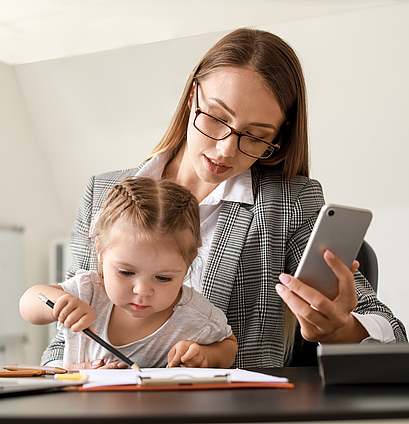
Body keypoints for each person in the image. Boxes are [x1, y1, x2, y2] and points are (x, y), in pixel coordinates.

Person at [40, 28, 407, 370]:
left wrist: (339, 329)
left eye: (256, 135)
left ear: (279, 135)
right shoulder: (103, 192)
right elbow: (66, 332)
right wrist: (64, 377)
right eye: (216, 117)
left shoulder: (288, 204)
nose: (226, 148)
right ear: (191, 96)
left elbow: (391, 333)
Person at [20, 177, 238, 368]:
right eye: (126, 272)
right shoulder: (88, 292)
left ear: (189, 264)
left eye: (163, 278)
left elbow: (229, 346)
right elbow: (28, 303)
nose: (142, 291)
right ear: (100, 251)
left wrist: (205, 355)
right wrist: (59, 303)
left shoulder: (196, 316)